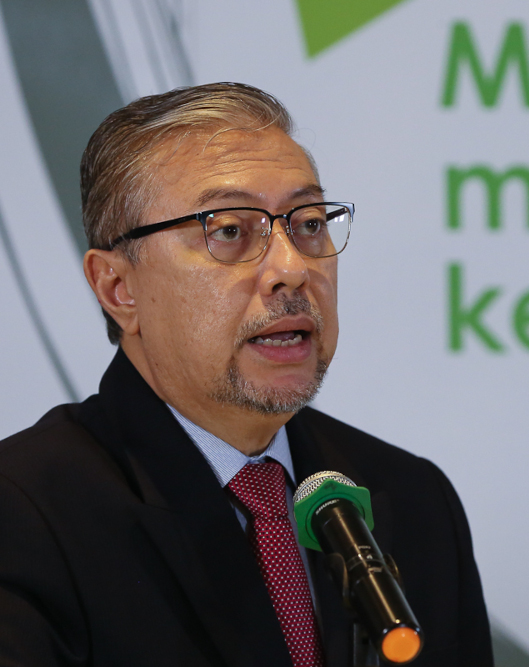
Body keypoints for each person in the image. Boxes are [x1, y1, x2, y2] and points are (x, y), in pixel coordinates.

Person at [0, 82, 493, 667]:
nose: (292, 268)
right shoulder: (25, 513)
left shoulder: (412, 501)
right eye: (230, 231)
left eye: (308, 223)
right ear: (118, 287)